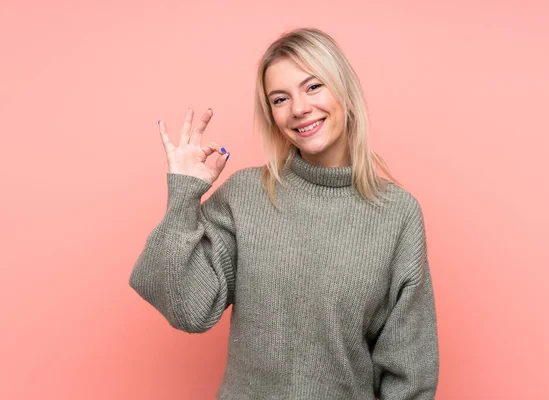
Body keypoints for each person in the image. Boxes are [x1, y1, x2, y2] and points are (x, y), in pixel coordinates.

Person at [129, 27, 439, 399]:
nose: (299, 108)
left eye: (312, 87)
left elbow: (410, 370)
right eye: (280, 99)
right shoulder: (245, 196)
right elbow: (187, 309)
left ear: (344, 90)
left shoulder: (397, 215)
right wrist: (183, 196)